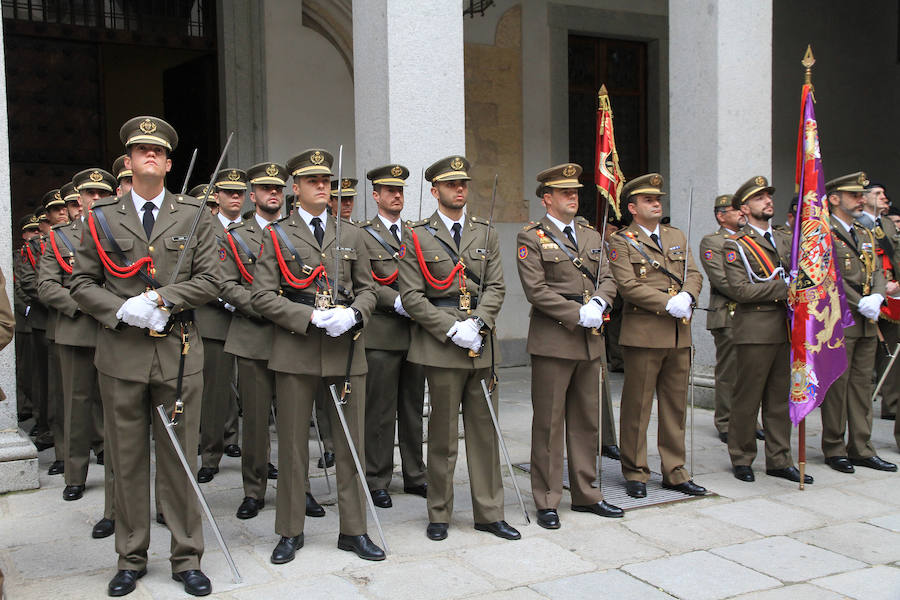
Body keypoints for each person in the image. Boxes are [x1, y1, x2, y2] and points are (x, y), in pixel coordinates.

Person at [70, 116, 219, 597]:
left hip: (178, 354)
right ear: (129, 163)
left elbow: (214, 279)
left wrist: (159, 300)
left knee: (180, 459)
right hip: (121, 356)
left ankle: (186, 556)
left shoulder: (196, 214)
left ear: (170, 163)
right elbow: (80, 283)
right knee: (127, 461)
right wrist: (122, 310)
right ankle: (130, 557)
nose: (149, 155)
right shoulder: (100, 217)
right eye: (140, 150)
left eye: (158, 151)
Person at [250, 149, 384, 564]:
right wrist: (307, 315)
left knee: (350, 444)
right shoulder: (277, 234)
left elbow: (370, 287)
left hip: (345, 351)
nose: (322, 186)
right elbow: (261, 296)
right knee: (292, 445)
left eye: (326, 180)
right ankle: (290, 530)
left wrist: (355, 313)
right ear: (296, 188)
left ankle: (354, 530)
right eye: (312, 181)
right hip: (297, 350)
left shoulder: (353, 234)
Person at [399, 155, 519, 542]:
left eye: (464, 183)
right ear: (435, 191)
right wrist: (453, 329)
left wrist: (478, 323)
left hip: (481, 342)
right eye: (451, 185)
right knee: (442, 436)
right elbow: (413, 296)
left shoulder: (485, 232)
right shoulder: (416, 234)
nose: (460, 189)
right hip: (442, 345)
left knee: (485, 433)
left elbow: (497, 287)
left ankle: (489, 512)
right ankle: (439, 512)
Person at [516, 163, 624, 529]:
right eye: (565, 192)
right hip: (554, 339)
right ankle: (547, 498)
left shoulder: (591, 234)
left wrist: (600, 304)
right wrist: (579, 313)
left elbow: (608, 276)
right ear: (547, 199)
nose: (573, 197)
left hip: (590, 341)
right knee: (549, 423)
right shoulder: (531, 236)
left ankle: (587, 493)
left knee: (586, 422)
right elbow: (537, 290)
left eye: (575, 191)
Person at [220, 161, 325, 520]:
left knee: (295, 421)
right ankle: (254, 489)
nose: (272, 194)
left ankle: (301, 489)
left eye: (278, 189)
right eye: (265, 189)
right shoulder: (236, 236)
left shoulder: (300, 232)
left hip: (296, 338)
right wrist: (268, 308)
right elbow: (227, 284)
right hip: (255, 336)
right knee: (255, 419)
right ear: (253, 196)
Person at [607, 173, 707, 499]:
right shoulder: (621, 240)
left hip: (679, 336)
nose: (656, 203)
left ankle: (675, 471)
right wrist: (669, 304)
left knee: (675, 408)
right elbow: (628, 286)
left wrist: (688, 298)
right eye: (649, 200)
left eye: (658, 199)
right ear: (633, 207)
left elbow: (693, 273)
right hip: (645, 335)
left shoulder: (675, 234)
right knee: (638, 407)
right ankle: (635, 471)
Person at [721, 176, 811, 484]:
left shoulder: (786, 239)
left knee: (780, 398)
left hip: (787, 330)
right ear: (744, 208)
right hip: (756, 330)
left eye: (769, 196)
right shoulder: (735, 245)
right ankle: (742, 456)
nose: (768, 201)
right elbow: (741, 290)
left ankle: (779, 458)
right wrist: (783, 289)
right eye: (760, 198)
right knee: (748, 398)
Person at [359, 164, 427, 508]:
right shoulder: (362, 234)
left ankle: (416, 474)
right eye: (389, 191)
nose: (396, 196)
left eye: (399, 190)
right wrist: (395, 301)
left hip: (415, 332)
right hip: (383, 333)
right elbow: (364, 281)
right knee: (381, 411)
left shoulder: (416, 233)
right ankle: (377, 477)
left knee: (413, 408)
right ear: (376, 196)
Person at [821, 172, 897, 474]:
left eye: (861, 195)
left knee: (863, 386)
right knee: (838, 387)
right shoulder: (824, 232)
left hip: (867, 318)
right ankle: (834, 446)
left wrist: (878, 297)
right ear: (835, 199)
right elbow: (829, 276)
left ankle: (862, 447)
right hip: (840, 320)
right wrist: (858, 302)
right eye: (854, 195)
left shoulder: (865, 233)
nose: (860, 199)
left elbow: (877, 269)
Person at [195, 169, 245, 484]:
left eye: (240, 193)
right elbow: (198, 273)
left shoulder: (256, 229)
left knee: (256, 394)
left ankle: (256, 455)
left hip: (250, 318)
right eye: (229, 192)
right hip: (215, 318)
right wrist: (222, 299)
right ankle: (211, 455)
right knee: (214, 392)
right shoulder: (204, 229)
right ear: (217, 196)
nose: (235, 198)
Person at [699, 194, 742, 444]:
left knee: (749, 373)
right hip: (728, 313)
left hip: (752, 316)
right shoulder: (713, 242)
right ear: (721, 215)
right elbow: (722, 279)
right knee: (729, 372)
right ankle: (726, 422)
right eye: (735, 210)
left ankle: (747, 420)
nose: (741, 213)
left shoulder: (751, 240)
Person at [862, 182, 900, 421]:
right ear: (863, 198)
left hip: (892, 294)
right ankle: (860, 409)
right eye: (877, 194)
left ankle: (892, 404)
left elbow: (895, 256)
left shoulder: (886, 224)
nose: (883, 198)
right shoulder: (856, 222)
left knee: (893, 353)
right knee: (864, 359)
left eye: (884, 194)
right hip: (867, 296)